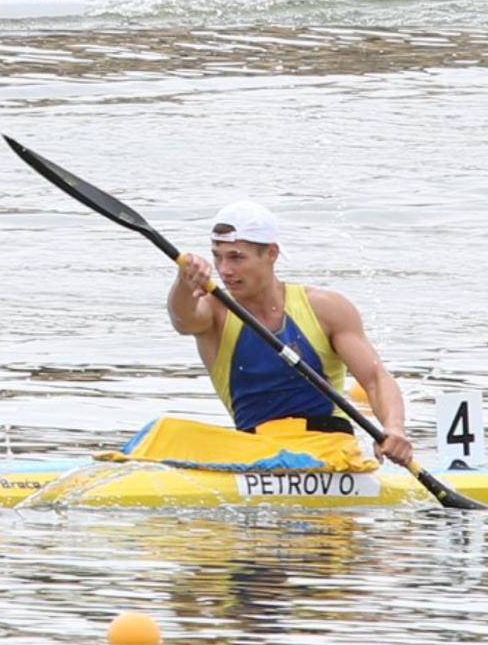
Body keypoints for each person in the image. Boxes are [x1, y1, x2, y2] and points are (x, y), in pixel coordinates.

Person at [167, 198, 414, 467]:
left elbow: (376, 378)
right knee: (167, 432)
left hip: (328, 450)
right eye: (217, 256)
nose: (224, 270)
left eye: (236, 257)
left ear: (271, 253)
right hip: (255, 453)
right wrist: (183, 280)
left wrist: (394, 428)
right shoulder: (215, 312)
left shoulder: (326, 308)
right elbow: (184, 320)